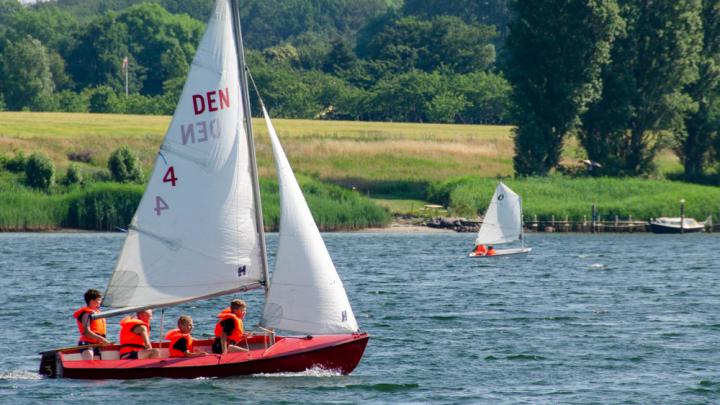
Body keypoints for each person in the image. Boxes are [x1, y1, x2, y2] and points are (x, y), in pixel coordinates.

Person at [73, 289, 110, 360]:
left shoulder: (97, 313)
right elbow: (87, 332)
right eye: (99, 299)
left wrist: (102, 340)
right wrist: (103, 339)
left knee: (97, 365)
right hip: (86, 343)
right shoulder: (86, 313)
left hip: (97, 344)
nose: (100, 301)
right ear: (92, 301)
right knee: (89, 362)